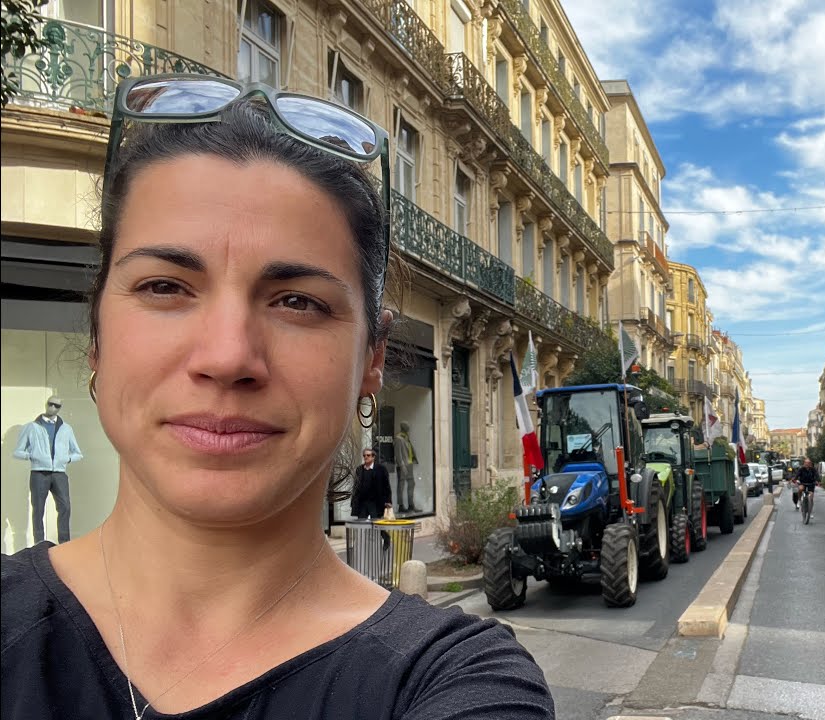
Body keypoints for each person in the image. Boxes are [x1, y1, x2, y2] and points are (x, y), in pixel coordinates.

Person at [0, 75, 554, 719]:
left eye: (298, 302)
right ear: (97, 335)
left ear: (372, 360)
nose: (228, 356)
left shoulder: (453, 682)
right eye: (164, 287)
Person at [13, 396, 84, 544]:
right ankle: (39, 544)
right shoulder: (32, 427)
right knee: (38, 509)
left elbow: (78, 453)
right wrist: (32, 455)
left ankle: (64, 543)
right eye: (51, 404)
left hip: (59, 473)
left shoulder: (66, 429)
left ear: (59, 408)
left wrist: (67, 458)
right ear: (46, 404)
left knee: (65, 506)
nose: (53, 408)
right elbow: (18, 451)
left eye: (57, 406)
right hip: (39, 473)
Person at [351, 448, 391, 520]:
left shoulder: (381, 469)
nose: (366, 457)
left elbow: (386, 486)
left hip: (376, 502)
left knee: (376, 524)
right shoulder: (359, 469)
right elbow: (356, 486)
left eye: (368, 455)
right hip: (362, 502)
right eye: (364, 455)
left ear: (373, 457)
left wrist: (388, 501)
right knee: (361, 523)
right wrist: (353, 501)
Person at [393, 421, 420, 514]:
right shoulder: (398, 439)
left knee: (411, 484)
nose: (408, 427)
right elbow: (398, 454)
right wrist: (402, 466)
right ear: (403, 427)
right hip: (403, 465)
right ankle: (401, 506)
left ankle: (411, 505)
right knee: (401, 486)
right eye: (406, 426)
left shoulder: (406, 438)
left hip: (409, 464)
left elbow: (410, 450)